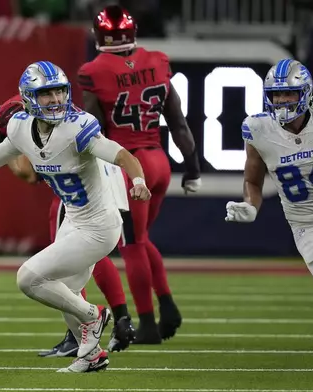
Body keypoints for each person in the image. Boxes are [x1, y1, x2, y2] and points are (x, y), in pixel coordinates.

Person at [0, 61, 150, 372]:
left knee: (29, 278)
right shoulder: (20, 127)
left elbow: (123, 156)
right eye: (46, 94)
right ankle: (92, 356)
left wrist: (138, 181)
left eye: (60, 91)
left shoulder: (78, 127)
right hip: (74, 218)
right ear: (29, 97)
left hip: (99, 225)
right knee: (63, 291)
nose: (56, 100)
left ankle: (93, 316)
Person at [77, 5, 201, 343]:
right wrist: (192, 168)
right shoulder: (157, 60)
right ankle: (168, 305)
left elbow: (90, 125)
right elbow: (178, 121)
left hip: (128, 166)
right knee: (142, 240)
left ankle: (147, 324)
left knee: (131, 245)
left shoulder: (94, 70)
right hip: (158, 160)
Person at [0, 96, 136, 357]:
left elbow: (28, 173)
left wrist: (6, 154)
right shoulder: (35, 108)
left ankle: (86, 328)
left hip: (86, 184)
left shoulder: (21, 119)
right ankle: (120, 319)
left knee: (70, 255)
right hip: (105, 173)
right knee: (87, 252)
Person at [226, 59, 313, 338]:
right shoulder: (258, 129)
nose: (282, 100)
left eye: (288, 93)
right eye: (276, 94)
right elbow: (253, 180)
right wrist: (251, 206)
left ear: (305, 92)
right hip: (309, 228)